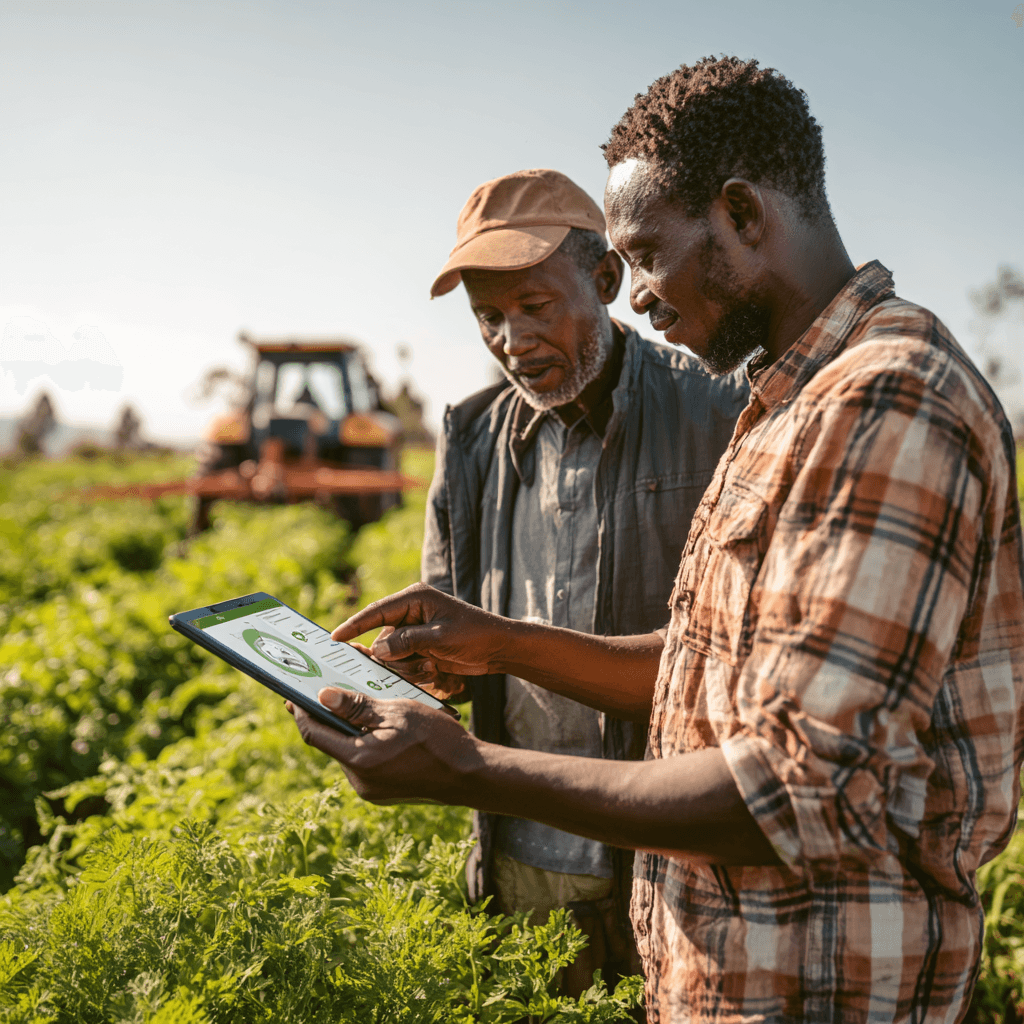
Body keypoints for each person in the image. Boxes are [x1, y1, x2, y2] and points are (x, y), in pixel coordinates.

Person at [291, 57, 1024, 1023]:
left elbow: (804, 794)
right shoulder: (785, 400)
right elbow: (703, 674)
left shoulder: (888, 396)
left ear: (743, 215)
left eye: (644, 255)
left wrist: (469, 770)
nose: (638, 296)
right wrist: (502, 643)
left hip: (819, 989)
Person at [415, 168, 747, 994]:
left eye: (535, 307)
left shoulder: (716, 409)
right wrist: (425, 670)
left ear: (604, 282)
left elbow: (738, 659)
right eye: (488, 317)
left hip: (666, 858)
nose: (511, 339)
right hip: (520, 856)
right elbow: (453, 640)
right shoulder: (469, 438)